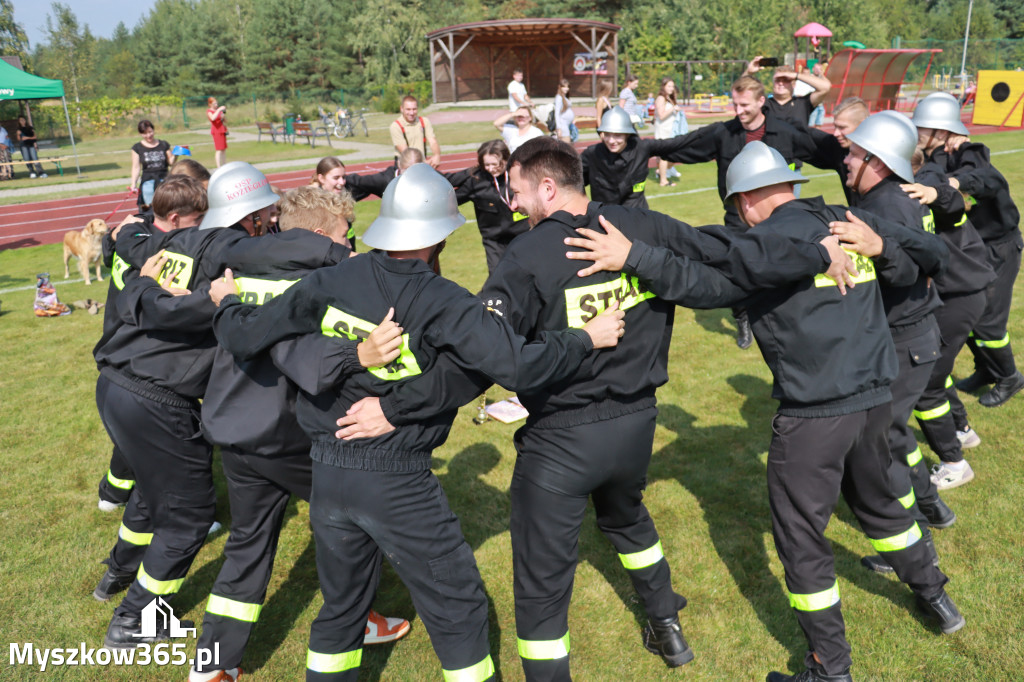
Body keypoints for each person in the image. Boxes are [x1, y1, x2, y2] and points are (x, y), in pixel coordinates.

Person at [336, 137, 863, 680]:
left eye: (516, 192)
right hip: (637, 428)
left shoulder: (527, 255)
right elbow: (731, 256)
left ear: (547, 186)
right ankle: (667, 626)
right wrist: (818, 251)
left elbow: (480, 360)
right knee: (626, 516)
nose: (511, 205)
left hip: (562, 442)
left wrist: (396, 409)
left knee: (541, 590)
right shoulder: (643, 226)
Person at [208, 163, 626, 682]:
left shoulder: (330, 278)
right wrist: (586, 338)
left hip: (327, 476)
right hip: (396, 478)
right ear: (439, 236)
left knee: (342, 611)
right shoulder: (445, 300)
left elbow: (249, 336)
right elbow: (517, 365)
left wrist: (226, 305)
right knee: (460, 609)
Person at [565, 140, 964, 682]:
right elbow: (934, 256)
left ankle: (829, 666)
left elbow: (700, 279)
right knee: (886, 507)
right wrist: (882, 245)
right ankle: (937, 600)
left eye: (736, 208)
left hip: (815, 418)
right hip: (876, 402)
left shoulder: (763, 248)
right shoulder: (847, 220)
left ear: (748, 199)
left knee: (802, 541)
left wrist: (631, 256)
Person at [188, 186, 408, 682]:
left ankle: (212, 665)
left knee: (247, 545)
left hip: (232, 425)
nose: (347, 240)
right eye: (340, 232)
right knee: (355, 525)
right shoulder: (325, 272)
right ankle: (359, 622)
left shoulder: (238, 259)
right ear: (317, 235)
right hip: (291, 431)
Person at [839, 111, 950, 574]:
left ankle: (912, 539)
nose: (845, 159)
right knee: (897, 432)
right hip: (914, 336)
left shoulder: (884, 208)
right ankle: (933, 509)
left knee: (879, 444)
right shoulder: (893, 197)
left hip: (905, 340)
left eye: (854, 153)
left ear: (878, 162)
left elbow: (906, 273)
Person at [669, 75, 823, 349]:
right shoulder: (727, 132)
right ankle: (742, 317)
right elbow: (686, 144)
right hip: (738, 215)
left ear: (761, 102)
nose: (738, 111)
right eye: (735, 105)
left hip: (774, 217)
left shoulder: (782, 130)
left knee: (780, 263)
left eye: (744, 105)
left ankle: (779, 315)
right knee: (739, 267)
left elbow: (818, 146)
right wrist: (646, 148)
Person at [913, 92, 1024, 413]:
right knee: (973, 315)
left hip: (999, 246)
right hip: (973, 247)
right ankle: (986, 370)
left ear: (942, 131)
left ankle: (1009, 376)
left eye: (923, 128)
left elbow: (990, 179)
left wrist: (953, 181)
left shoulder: (969, 151)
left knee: (988, 321)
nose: (917, 133)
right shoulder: (933, 158)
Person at [580, 106, 698, 210]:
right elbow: (571, 182)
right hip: (604, 219)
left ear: (627, 135)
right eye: (607, 135)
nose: (611, 141)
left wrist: (712, 133)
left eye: (617, 135)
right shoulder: (592, 154)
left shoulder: (641, 148)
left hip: (637, 216)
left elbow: (677, 143)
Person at [445, 139, 529, 273]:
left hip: (524, 236)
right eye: (486, 165)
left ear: (506, 159)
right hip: (494, 241)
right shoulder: (476, 180)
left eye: (495, 164)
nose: (490, 169)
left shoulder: (521, 175)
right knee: (498, 277)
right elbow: (449, 200)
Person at [746, 56, 832, 130]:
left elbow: (825, 87)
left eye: (786, 80)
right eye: (778, 80)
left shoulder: (802, 103)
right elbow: (742, 93)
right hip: (770, 149)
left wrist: (796, 75)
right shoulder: (765, 104)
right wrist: (749, 72)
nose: (781, 83)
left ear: (793, 84)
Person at [310, 156, 357, 246]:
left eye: (343, 177)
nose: (342, 182)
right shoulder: (314, 204)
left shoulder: (343, 194)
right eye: (336, 178)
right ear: (321, 178)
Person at [128, 119, 174, 211]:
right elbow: (136, 167)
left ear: (153, 130)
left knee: (167, 208)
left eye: (150, 132)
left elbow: (171, 162)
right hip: (148, 182)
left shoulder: (164, 144)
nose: (148, 135)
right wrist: (133, 184)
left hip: (164, 180)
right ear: (140, 134)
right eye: (145, 133)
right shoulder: (137, 148)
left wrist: (176, 154)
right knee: (150, 210)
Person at [346, 148, 424, 201]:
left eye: (415, 170)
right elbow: (357, 181)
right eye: (406, 170)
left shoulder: (430, 178)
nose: (411, 175)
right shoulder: (386, 180)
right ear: (399, 164)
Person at [389, 95, 441, 168]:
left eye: (414, 109)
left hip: (421, 163)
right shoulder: (396, 126)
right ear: (401, 109)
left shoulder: (424, 121)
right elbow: (406, 152)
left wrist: (437, 155)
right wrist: (424, 163)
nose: (412, 113)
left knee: (445, 178)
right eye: (408, 109)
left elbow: (433, 141)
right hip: (404, 166)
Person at [653, 78, 681, 186]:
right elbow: (661, 115)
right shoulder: (661, 98)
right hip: (663, 131)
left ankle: (661, 172)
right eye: (669, 86)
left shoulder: (668, 98)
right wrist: (672, 109)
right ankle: (663, 181)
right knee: (665, 156)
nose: (671, 88)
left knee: (673, 155)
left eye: (672, 86)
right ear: (663, 86)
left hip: (670, 131)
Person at [552, 79, 576, 143]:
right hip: (563, 125)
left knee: (568, 144)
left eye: (567, 87)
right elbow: (556, 113)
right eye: (564, 87)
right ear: (560, 87)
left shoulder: (564, 97)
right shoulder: (559, 97)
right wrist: (558, 128)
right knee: (567, 144)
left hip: (567, 124)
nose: (566, 89)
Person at [207, 97, 228, 168]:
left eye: (216, 103)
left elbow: (224, 120)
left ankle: (224, 164)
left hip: (222, 130)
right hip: (216, 131)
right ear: (210, 104)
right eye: (214, 103)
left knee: (223, 148)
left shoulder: (217, 111)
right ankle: (219, 166)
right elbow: (212, 118)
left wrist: (223, 116)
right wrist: (219, 110)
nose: (216, 105)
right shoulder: (209, 111)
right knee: (219, 149)